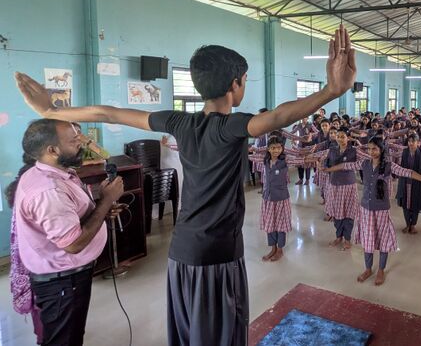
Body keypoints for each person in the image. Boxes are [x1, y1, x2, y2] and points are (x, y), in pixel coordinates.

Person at [14, 25, 356, 346]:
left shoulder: (178, 121)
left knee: (191, 332)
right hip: (217, 254)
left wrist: (51, 109)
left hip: (182, 252)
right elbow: (280, 115)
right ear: (235, 84)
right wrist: (330, 90)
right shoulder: (231, 126)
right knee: (219, 333)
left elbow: (111, 113)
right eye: (245, 80)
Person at [7, 119, 125, 345]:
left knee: (69, 335)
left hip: (67, 276)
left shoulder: (54, 173)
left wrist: (99, 209)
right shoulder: (49, 190)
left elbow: (71, 217)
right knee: (64, 340)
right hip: (62, 281)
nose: (81, 143)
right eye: (74, 140)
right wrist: (107, 200)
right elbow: (73, 243)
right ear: (52, 150)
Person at [320, 137, 421, 286]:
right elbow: (345, 165)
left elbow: (408, 172)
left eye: (374, 149)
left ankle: (381, 270)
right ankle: (368, 269)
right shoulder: (364, 163)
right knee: (368, 240)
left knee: (383, 240)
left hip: (381, 209)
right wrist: (327, 169)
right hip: (366, 209)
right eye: (369, 149)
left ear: (381, 150)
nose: (371, 152)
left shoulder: (388, 165)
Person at [260, 137, 307, 263]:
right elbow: (250, 156)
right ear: (268, 149)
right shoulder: (265, 161)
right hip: (268, 198)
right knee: (270, 224)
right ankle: (273, 248)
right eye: (273, 148)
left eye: (278, 148)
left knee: (280, 224)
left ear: (282, 148)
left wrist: (314, 158)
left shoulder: (285, 160)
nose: (276, 150)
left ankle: (280, 250)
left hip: (281, 198)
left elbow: (301, 159)